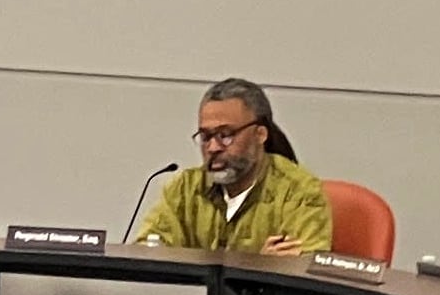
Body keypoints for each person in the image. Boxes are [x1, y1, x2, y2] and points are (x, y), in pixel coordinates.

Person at [133, 76, 334, 252]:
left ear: (260, 134)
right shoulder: (184, 189)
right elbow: (148, 252)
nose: (213, 147)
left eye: (225, 135)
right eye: (206, 136)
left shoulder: (299, 193)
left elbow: (302, 266)